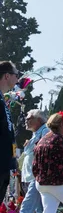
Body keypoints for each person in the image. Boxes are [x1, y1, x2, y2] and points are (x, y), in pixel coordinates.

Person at [4, 110, 60, 213]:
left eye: (29, 118)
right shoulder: (36, 134)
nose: (26, 120)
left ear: (38, 120)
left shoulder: (45, 131)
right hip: (31, 178)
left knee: (26, 208)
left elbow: (47, 150)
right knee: (41, 212)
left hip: (38, 177)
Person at [0, 61, 19, 202]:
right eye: (16, 74)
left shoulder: (2, 100)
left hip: (4, 164)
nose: (17, 78)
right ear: (7, 76)